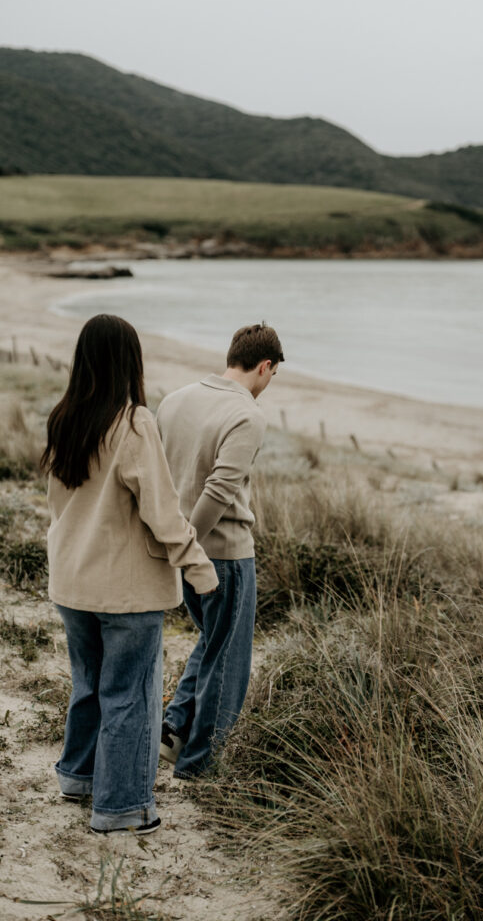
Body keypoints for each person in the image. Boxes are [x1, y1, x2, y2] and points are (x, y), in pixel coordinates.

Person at [42, 314, 217, 834]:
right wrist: (199, 567)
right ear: (128, 361)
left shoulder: (64, 417)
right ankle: (121, 809)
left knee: (90, 686)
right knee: (130, 698)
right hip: (125, 590)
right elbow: (162, 512)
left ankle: (78, 778)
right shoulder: (134, 422)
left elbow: (57, 506)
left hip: (71, 580)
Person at [157, 322, 284, 778]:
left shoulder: (175, 399)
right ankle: (201, 766)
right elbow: (219, 491)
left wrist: (174, 546)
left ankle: (172, 730)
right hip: (225, 556)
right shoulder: (247, 414)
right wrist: (188, 549)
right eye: (272, 375)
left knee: (212, 645)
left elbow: (158, 478)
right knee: (229, 663)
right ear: (265, 366)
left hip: (178, 546)